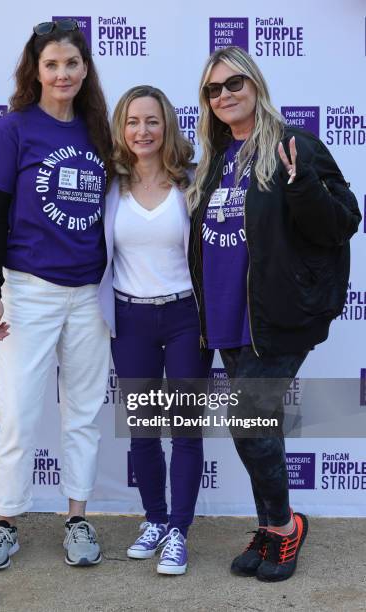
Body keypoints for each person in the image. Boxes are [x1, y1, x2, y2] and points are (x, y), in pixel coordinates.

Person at [187, 46, 361, 582]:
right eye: (214, 90)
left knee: (248, 422)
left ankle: (285, 529)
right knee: (257, 426)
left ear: (255, 84)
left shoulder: (295, 146)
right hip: (226, 315)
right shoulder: (215, 159)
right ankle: (270, 526)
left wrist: (301, 182)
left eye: (234, 83)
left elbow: (342, 222)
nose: (225, 95)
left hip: (278, 316)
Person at [0, 19, 113, 570]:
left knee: (82, 412)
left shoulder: (101, 130)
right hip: (28, 290)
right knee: (17, 412)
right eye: (51, 64)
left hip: (89, 295)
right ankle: (5, 521)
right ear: (36, 70)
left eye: (72, 64)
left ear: (85, 69)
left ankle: (77, 518)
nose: (62, 73)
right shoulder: (14, 129)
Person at [98, 85, 213, 575]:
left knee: (185, 430)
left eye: (151, 121)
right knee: (144, 431)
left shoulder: (193, 181)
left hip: (187, 317)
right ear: (121, 129)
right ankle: (155, 520)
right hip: (131, 319)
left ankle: (179, 533)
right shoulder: (108, 185)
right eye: (132, 121)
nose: (142, 131)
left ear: (167, 126)